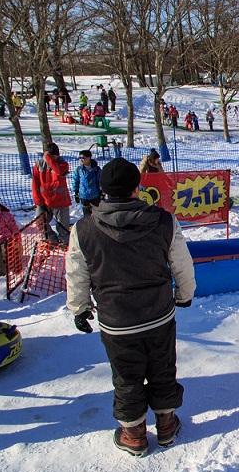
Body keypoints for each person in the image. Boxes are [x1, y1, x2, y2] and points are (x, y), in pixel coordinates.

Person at [65, 157, 196, 456]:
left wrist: (79, 307)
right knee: (163, 368)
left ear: (103, 189)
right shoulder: (163, 220)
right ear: (137, 188)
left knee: (126, 375)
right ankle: (166, 424)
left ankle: (134, 434)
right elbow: (181, 262)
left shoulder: (83, 229)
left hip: (117, 321)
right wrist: (184, 294)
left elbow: (77, 272)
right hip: (159, 316)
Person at [32, 142, 71, 244]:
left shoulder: (63, 164)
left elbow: (59, 171)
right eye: (51, 156)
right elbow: (35, 184)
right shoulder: (39, 165)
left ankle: (64, 243)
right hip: (44, 201)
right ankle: (51, 239)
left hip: (61, 201)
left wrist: (50, 160)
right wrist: (38, 201)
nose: (54, 158)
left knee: (63, 227)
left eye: (55, 156)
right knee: (40, 222)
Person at [73, 150, 103, 217]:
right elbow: (76, 181)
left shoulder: (96, 169)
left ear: (89, 158)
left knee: (96, 215)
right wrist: (76, 193)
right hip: (84, 196)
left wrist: (102, 192)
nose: (81, 160)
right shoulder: (78, 170)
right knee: (86, 216)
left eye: (83, 158)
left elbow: (100, 181)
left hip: (95, 196)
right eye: (80, 158)